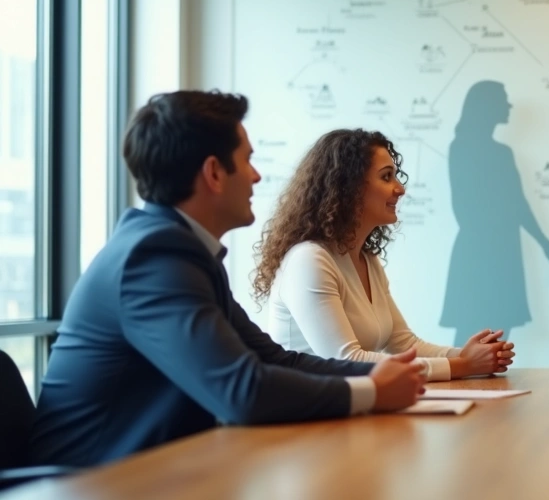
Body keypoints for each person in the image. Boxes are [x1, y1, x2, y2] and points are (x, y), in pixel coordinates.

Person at [30, 91, 426, 467]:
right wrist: (372, 390)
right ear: (215, 173)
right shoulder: (152, 258)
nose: (256, 176)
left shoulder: (181, 250)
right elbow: (243, 391)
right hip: (90, 485)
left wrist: (377, 375)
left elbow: (272, 358)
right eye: (248, 160)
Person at [253, 129, 516, 381]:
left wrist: (467, 356)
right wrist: (463, 365)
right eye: (386, 177)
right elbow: (347, 361)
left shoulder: (366, 259)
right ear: (349, 187)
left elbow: (404, 344)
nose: (400, 189)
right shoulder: (308, 260)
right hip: (306, 419)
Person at [440, 81, 549, 344]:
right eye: (503, 100)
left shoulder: (502, 153)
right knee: (469, 332)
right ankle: (459, 386)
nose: (508, 106)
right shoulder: (461, 147)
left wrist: (546, 245)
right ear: (486, 105)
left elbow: (519, 205)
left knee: (500, 331)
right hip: (479, 253)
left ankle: (491, 386)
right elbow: (462, 207)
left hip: (503, 251)